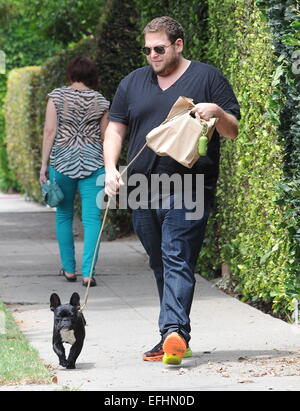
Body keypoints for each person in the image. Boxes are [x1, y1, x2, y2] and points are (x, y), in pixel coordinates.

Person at [104, 16, 240, 365]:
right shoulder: (133, 82)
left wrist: (217, 112)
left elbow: (233, 129)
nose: (152, 55)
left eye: (159, 48)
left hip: (190, 184)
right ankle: (175, 333)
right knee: (159, 260)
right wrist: (109, 170)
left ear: (178, 45)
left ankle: (173, 331)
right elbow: (115, 129)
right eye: (147, 49)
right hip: (141, 185)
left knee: (177, 254)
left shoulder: (208, 78)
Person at [40, 56, 109, 287]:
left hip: (62, 163)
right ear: (92, 76)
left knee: (64, 216)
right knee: (92, 219)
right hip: (93, 163)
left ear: (71, 73)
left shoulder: (56, 97)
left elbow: (50, 131)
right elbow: (105, 138)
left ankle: (69, 270)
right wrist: (109, 167)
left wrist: (43, 165)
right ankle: (88, 273)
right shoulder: (101, 101)